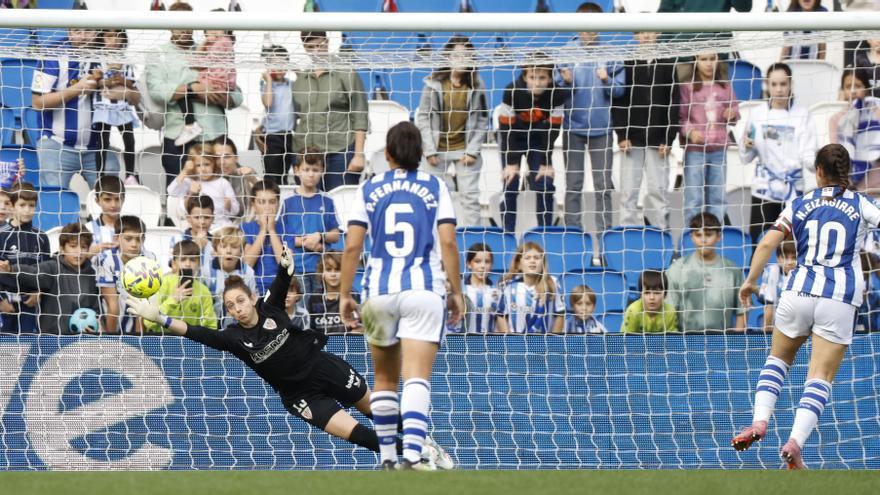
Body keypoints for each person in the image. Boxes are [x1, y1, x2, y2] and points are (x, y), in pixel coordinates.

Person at [126, 245, 453, 470]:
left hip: (324, 368)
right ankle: (415, 458)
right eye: (231, 306)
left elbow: (282, 280)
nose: (237, 309)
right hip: (301, 396)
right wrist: (160, 318)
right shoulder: (233, 338)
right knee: (362, 436)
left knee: (379, 413)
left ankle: (424, 441)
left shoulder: (270, 307)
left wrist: (285, 264)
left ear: (252, 298)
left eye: (241, 301)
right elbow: (197, 332)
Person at [734, 144, 880, 469]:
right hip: (839, 297)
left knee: (778, 360)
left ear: (818, 171)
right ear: (847, 171)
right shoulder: (862, 204)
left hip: (798, 291)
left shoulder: (799, 203)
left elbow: (768, 242)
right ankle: (795, 443)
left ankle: (760, 421)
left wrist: (751, 281)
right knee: (820, 376)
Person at [338, 121, 463, 470]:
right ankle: (412, 455)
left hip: (379, 291)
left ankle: (388, 459)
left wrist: (345, 294)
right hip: (423, 289)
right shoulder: (435, 186)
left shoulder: (369, 187)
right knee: (417, 377)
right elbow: (448, 241)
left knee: (384, 380)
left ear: (388, 153)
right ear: (420, 153)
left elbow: (352, 245)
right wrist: (456, 291)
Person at [145, 1, 243, 187]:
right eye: (178, 24)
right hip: (178, 136)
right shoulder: (158, 54)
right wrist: (193, 89)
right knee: (178, 192)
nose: (184, 29)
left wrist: (222, 96)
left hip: (214, 136)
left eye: (188, 23)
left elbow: (237, 95)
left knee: (216, 194)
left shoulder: (212, 47)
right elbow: (157, 91)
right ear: (169, 26)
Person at [558, 2, 623, 233]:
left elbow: (620, 91)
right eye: (583, 24)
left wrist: (607, 79)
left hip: (602, 129)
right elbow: (556, 93)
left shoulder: (612, 54)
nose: (587, 30)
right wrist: (565, 82)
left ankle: (605, 234)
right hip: (573, 128)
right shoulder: (565, 52)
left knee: (603, 185)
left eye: (592, 25)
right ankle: (573, 233)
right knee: (573, 184)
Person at [31, 24, 121, 189]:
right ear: (69, 32)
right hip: (56, 143)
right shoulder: (52, 53)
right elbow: (38, 103)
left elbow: (129, 96)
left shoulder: (107, 54)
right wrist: (77, 89)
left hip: (98, 146)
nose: (83, 37)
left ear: (96, 32)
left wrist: (116, 86)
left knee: (112, 194)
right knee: (55, 199)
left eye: (88, 31)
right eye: (77, 31)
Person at [738, 63, 817, 244]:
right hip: (763, 191)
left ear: (790, 84)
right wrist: (747, 146)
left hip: (793, 192)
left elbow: (808, 155)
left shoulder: (803, 114)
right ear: (767, 85)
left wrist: (820, 165)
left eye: (783, 84)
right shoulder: (757, 114)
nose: (779, 89)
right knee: (760, 245)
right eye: (774, 84)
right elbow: (745, 157)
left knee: (793, 246)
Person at [416, 35, 489, 228]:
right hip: (436, 150)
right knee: (430, 197)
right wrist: (429, 150)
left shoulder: (477, 85)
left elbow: (483, 119)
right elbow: (423, 117)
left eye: (467, 56)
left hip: (464, 150)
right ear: (448, 58)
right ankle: (430, 236)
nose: (462, 60)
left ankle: (473, 239)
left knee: (470, 198)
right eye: (457, 56)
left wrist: (472, 151)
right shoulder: (432, 84)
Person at [612, 29, 679, 229]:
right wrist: (622, 134)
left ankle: (662, 233)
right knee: (628, 191)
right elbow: (620, 101)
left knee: (658, 191)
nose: (646, 36)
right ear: (635, 36)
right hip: (632, 140)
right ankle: (627, 232)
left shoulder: (667, 63)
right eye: (642, 32)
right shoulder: (628, 63)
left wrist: (668, 138)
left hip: (658, 141)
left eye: (650, 31)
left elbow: (673, 103)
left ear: (658, 33)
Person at [497, 57, 570, 232]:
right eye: (532, 77)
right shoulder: (511, 91)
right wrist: (511, 162)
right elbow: (506, 129)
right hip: (514, 139)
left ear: (550, 78)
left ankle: (545, 233)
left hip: (539, 141)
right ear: (525, 76)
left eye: (542, 78)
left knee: (545, 183)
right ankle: (508, 234)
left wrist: (545, 162)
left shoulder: (557, 94)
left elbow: (553, 130)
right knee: (510, 183)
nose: (537, 83)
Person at [292, 31, 368, 191]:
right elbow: (295, 116)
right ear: (304, 48)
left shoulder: (346, 72)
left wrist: (358, 155)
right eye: (310, 47)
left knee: (340, 201)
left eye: (319, 45)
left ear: (327, 42)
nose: (316, 51)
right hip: (306, 155)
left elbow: (360, 113)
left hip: (339, 151)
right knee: (309, 203)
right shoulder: (301, 79)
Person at [0, 223, 100, 334]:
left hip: (81, 339)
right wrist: (11, 269)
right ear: (62, 248)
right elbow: (32, 272)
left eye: (83, 247)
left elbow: (95, 306)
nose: (79, 252)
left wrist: (94, 321)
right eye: (73, 246)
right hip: (51, 337)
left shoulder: (90, 274)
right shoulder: (52, 268)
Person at [680, 51, 739, 224]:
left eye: (712, 59)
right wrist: (690, 132)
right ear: (695, 61)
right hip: (695, 151)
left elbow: (735, 110)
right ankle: (691, 235)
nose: (708, 63)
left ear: (718, 61)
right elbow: (681, 117)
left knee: (718, 197)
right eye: (703, 59)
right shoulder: (687, 87)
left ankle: (717, 234)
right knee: (693, 198)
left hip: (719, 149)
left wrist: (732, 113)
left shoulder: (725, 86)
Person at [667, 212, 745, 332]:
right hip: (686, 340)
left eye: (708, 235)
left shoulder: (732, 270)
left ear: (719, 236)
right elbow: (669, 312)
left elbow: (742, 311)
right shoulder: (677, 269)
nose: (703, 240)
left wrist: (737, 341)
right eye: (698, 235)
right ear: (692, 237)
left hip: (723, 340)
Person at [279, 152, 341, 298]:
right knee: (302, 307)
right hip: (297, 266)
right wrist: (305, 242)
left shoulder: (327, 200)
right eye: (306, 170)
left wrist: (319, 236)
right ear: (296, 170)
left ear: (322, 171)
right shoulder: (287, 201)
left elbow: (336, 235)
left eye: (315, 170)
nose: (311, 174)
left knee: (320, 306)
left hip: (322, 267)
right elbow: (280, 235)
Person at [0, 182, 49, 333]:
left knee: (27, 343)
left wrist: (38, 292)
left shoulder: (41, 237)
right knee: (5, 345)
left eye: (31, 205)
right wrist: (1, 301)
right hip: (5, 303)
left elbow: (46, 271)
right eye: (22, 205)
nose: (27, 210)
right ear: (12, 206)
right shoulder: (2, 234)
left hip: (30, 304)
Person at [93, 29, 140, 183]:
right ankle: (100, 176)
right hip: (103, 107)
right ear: (102, 39)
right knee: (102, 141)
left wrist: (122, 80)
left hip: (122, 107)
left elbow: (132, 84)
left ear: (123, 39)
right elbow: (94, 81)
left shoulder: (126, 61)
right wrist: (108, 80)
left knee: (129, 140)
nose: (113, 40)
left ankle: (130, 175)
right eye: (109, 36)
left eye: (118, 36)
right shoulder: (97, 59)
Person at [96, 216, 154, 334]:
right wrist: (112, 339)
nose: (134, 244)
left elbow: (144, 303)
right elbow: (112, 306)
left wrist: (138, 339)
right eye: (128, 239)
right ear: (117, 238)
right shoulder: (106, 259)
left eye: (138, 239)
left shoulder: (149, 259)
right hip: (112, 325)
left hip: (139, 323)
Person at [144, 239, 217, 333]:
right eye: (183, 259)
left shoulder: (204, 291)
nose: (188, 264)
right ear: (174, 263)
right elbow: (149, 323)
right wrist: (173, 300)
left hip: (191, 339)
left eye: (192, 260)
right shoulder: (162, 284)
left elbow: (211, 327)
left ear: (199, 263)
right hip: (162, 338)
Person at [497, 242, 564, 334]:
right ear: (519, 264)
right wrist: (509, 339)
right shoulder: (508, 285)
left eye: (536, 258)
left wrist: (554, 340)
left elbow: (560, 314)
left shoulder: (552, 283)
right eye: (527, 258)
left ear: (543, 263)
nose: (532, 261)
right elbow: (501, 315)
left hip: (544, 341)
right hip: (516, 341)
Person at [167, 143, 240, 228]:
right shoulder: (190, 181)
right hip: (198, 226)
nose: (203, 169)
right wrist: (185, 171)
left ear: (214, 163)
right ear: (193, 166)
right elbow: (171, 192)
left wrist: (229, 206)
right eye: (198, 165)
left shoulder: (223, 183)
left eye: (207, 164)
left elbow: (235, 211)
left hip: (220, 225)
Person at [831, 69, 880, 192]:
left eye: (858, 86)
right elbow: (835, 156)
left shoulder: (877, 113)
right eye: (848, 87)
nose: (853, 91)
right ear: (842, 90)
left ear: (866, 89)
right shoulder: (835, 119)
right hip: (848, 186)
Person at [205, 226, 257, 328]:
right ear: (215, 250)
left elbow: (253, 301)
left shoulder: (247, 272)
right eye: (223, 246)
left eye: (234, 247)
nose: (228, 251)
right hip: (211, 326)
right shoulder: (206, 271)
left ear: (241, 251)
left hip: (239, 326)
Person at [259, 45, 296, 185]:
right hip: (272, 136)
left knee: (284, 172)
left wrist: (296, 69)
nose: (279, 67)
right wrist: (268, 80)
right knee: (272, 174)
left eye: (282, 63)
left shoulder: (291, 84)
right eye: (274, 63)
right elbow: (268, 103)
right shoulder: (267, 85)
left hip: (288, 135)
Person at [242, 180, 284, 296]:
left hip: (279, 288)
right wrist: (263, 230)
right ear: (253, 205)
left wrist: (271, 230)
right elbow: (247, 264)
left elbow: (285, 265)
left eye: (272, 202)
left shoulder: (287, 228)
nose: (267, 207)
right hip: (251, 288)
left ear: (278, 204)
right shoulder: (244, 228)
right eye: (261, 202)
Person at [307, 252, 358, 335]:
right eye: (328, 270)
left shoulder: (353, 295)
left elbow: (360, 328)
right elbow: (312, 329)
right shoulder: (314, 297)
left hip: (347, 341)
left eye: (337, 270)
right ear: (321, 272)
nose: (333, 274)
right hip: (322, 341)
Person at [463, 243, 504, 334]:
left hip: (487, 342)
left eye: (487, 262)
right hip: (463, 341)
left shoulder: (497, 293)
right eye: (477, 261)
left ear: (491, 265)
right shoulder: (461, 290)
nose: (483, 266)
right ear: (469, 264)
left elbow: (502, 326)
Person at [213, 137, 258, 219]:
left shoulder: (247, 174)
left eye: (227, 157)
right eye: (217, 157)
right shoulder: (209, 177)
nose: (222, 162)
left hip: (244, 222)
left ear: (236, 158)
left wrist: (253, 180)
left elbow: (266, 192)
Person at [758, 240, 797, 333]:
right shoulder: (771, 272)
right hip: (776, 325)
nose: (790, 262)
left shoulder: (804, 275)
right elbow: (769, 306)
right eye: (785, 257)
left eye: (794, 258)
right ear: (778, 258)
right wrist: (767, 333)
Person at [87, 175, 126, 254]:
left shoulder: (132, 228)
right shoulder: (88, 229)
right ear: (97, 201)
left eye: (117, 199)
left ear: (123, 199)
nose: (113, 205)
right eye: (107, 199)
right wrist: (89, 254)